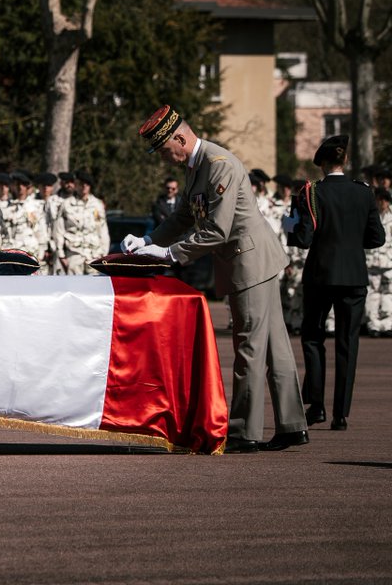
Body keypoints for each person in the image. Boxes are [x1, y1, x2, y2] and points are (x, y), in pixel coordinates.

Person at [124, 105, 307, 453]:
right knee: (274, 347)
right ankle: (292, 425)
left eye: (166, 151)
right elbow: (181, 218)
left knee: (249, 348)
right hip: (250, 260)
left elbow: (217, 230)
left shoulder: (217, 164)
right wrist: (148, 240)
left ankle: (244, 432)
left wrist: (168, 254)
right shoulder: (198, 166)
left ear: (180, 138)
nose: (166, 159)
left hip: (249, 262)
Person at [285, 135, 386, 431]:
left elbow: (302, 240)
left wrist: (290, 226)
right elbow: (377, 238)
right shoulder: (364, 193)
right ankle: (341, 413)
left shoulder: (312, 193)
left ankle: (316, 405)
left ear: (323, 164)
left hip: (321, 275)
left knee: (314, 337)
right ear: (345, 163)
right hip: (354, 276)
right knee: (348, 342)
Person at [365, 188, 392, 338]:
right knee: (373, 294)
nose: (382, 203)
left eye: (385, 199)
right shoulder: (370, 215)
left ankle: (388, 324)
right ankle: (374, 324)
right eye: (379, 199)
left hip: (389, 262)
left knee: (388, 294)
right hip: (373, 261)